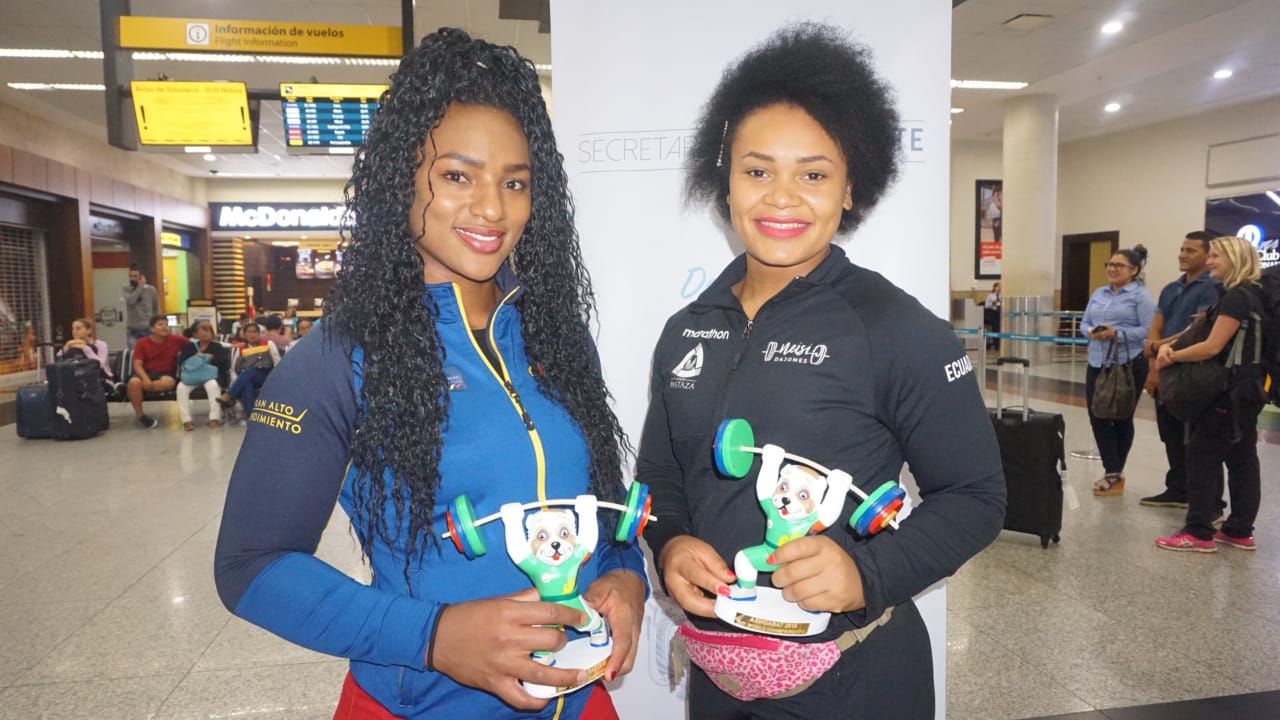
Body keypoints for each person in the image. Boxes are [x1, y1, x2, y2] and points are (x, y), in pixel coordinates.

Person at [213, 28, 647, 720]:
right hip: (417, 707)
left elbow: (604, 504)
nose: (492, 208)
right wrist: (434, 636)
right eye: (457, 176)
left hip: (579, 700)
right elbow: (252, 566)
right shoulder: (337, 360)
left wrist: (626, 575)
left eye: (514, 182)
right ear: (402, 181)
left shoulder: (557, 340)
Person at [637, 25, 1005, 719]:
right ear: (726, 182)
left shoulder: (894, 328)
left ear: (849, 188)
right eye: (757, 171)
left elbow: (976, 497)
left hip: (855, 680)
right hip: (721, 682)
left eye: (813, 174)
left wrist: (865, 573)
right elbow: (659, 475)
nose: (782, 197)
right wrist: (671, 541)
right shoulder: (688, 326)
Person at [1154, 236, 1267, 552]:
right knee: (1242, 457)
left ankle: (1199, 531)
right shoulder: (1254, 294)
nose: (1210, 261)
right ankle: (1239, 529)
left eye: (1216, 256)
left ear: (1234, 259)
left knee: (1202, 456)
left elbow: (1212, 347)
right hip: (1249, 388)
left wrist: (1171, 356)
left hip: (1226, 391)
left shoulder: (1236, 298)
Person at [1140, 231, 1222, 508]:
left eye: (1191, 250)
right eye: (1182, 249)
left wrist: (1158, 347)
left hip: (1192, 371)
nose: (1182, 255)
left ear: (1207, 255)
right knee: (1170, 433)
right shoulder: (1170, 288)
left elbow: (1197, 330)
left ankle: (1207, 499)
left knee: (1195, 438)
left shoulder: (1211, 287)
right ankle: (1177, 488)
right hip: (1165, 367)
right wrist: (1154, 365)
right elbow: (1156, 327)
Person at [1080, 245, 1155, 496]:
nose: (1112, 269)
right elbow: (1084, 322)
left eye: (1119, 265)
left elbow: (1148, 330)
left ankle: (1114, 472)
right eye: (1110, 264)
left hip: (1127, 363)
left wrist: (1117, 334)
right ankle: (1112, 468)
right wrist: (1091, 331)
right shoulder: (1099, 293)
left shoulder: (1140, 296)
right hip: (1097, 362)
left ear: (1133, 270)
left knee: (1121, 416)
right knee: (1097, 414)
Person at [127, 315, 187, 428]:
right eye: (160, 325)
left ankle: (138, 389)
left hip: (165, 373)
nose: (164, 327)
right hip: (146, 372)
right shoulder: (142, 342)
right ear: (152, 329)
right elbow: (137, 364)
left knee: (169, 382)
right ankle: (141, 416)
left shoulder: (176, 340)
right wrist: (146, 379)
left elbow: (193, 345)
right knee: (134, 383)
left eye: (166, 325)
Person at [218, 322, 279, 421]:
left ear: (259, 334)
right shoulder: (241, 348)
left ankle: (229, 395)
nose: (252, 335)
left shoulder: (268, 344)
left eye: (254, 332)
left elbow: (277, 362)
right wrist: (238, 381)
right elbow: (234, 369)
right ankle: (250, 414)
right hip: (247, 377)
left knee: (248, 372)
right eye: (249, 332)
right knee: (246, 382)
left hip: (266, 375)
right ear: (245, 334)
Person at [176, 321, 230, 431]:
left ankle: (214, 419)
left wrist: (210, 358)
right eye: (202, 331)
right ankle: (186, 420)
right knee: (181, 388)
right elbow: (182, 362)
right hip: (192, 376)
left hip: (210, 376)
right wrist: (195, 357)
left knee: (213, 386)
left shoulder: (217, 347)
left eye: (208, 331)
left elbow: (224, 363)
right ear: (195, 335)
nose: (205, 334)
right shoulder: (191, 347)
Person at [122, 263, 161, 349]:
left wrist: (157, 327)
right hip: (132, 330)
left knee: (150, 353)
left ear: (141, 277)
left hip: (148, 329)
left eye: (135, 276)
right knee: (134, 354)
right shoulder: (126, 289)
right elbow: (130, 301)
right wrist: (140, 287)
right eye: (130, 276)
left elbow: (156, 310)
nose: (132, 278)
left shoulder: (151, 290)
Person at [982, 281, 1002, 349]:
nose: (999, 288)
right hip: (993, 313)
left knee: (1001, 328)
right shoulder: (990, 296)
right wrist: (993, 303)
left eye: (1000, 286)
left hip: (1001, 312)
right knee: (995, 328)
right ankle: (996, 345)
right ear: (994, 287)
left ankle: (1001, 344)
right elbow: (986, 306)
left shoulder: (1002, 295)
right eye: (998, 286)